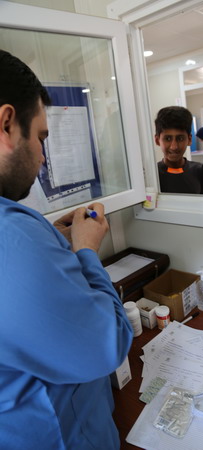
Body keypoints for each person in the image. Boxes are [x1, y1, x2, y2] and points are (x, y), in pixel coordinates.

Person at [0, 50, 133, 449]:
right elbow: (108, 343)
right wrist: (86, 251)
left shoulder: (21, 232)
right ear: (7, 124)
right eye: (40, 137)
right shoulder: (14, 237)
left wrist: (51, 242)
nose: (43, 156)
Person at [155, 106, 202, 193]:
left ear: (189, 140)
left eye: (180, 138)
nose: (174, 146)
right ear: (157, 140)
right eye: (168, 139)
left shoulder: (200, 171)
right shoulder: (153, 176)